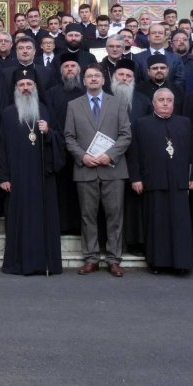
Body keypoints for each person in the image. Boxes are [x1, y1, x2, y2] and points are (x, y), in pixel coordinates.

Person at [64, 65, 132, 276]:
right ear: (83, 81)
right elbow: (69, 137)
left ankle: (114, 259)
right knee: (88, 217)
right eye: (89, 76)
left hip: (113, 168)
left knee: (115, 216)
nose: (93, 79)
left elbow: (126, 135)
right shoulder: (73, 105)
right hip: (86, 169)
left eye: (97, 76)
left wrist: (110, 155)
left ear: (104, 80)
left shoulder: (118, 103)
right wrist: (82, 156)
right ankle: (91, 258)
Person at [0, 66, 64, 276]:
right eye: (22, 85)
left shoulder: (45, 110)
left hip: (42, 176)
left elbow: (61, 140)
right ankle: (19, 264)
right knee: (19, 220)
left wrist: (49, 132)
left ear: (35, 87)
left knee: (42, 220)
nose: (25, 88)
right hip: (17, 176)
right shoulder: (8, 113)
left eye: (29, 84)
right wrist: (3, 176)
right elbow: (1, 146)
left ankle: (44, 263)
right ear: (16, 88)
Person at [127, 89, 193, 273]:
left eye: (169, 100)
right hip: (153, 180)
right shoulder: (141, 124)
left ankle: (181, 264)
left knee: (180, 224)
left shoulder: (184, 123)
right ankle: (157, 263)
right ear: (153, 103)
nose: (165, 103)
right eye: (161, 100)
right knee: (157, 224)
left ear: (174, 103)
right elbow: (134, 154)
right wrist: (135, 178)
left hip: (179, 181)